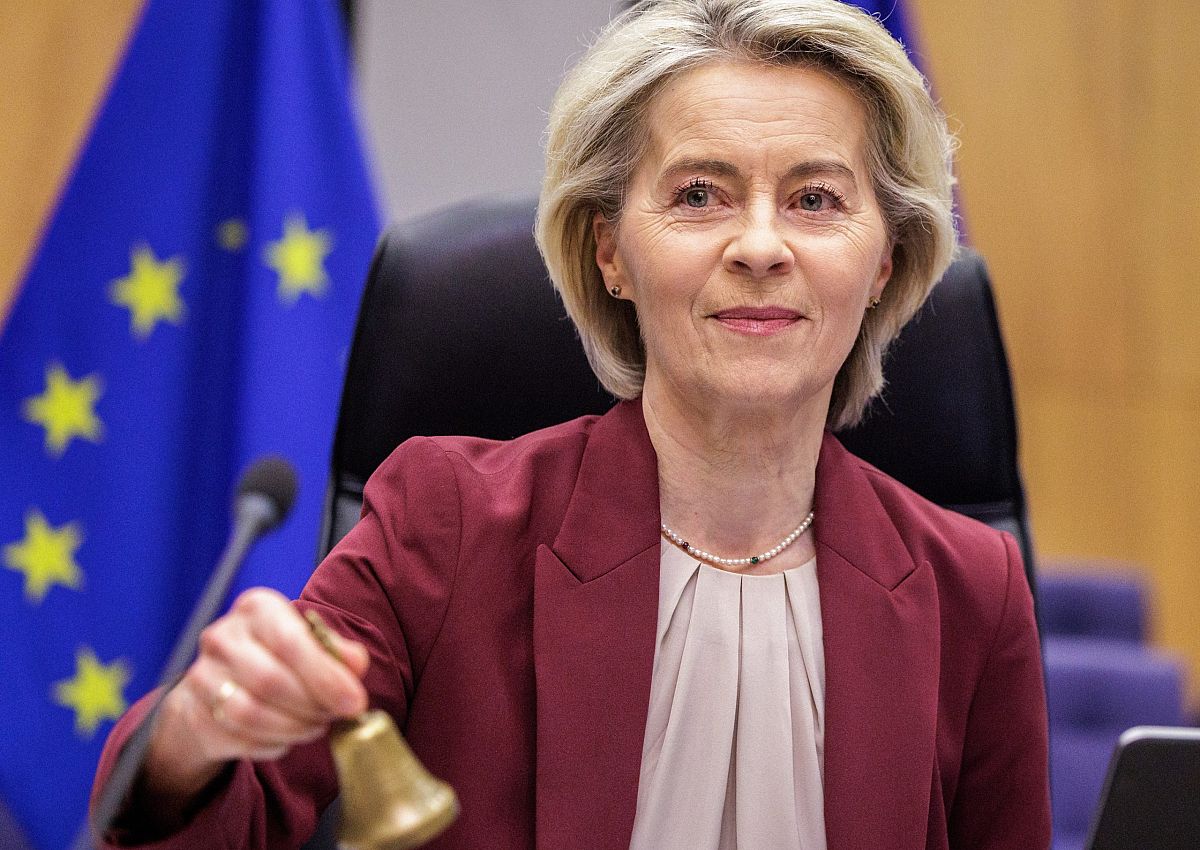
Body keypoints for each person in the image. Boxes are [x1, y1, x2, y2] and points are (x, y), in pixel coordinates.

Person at [92, 1, 1051, 848]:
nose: (760, 246)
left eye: (815, 199)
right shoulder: (447, 526)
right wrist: (194, 740)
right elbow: (223, 820)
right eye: (699, 195)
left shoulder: (972, 590)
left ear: (883, 262)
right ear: (611, 254)